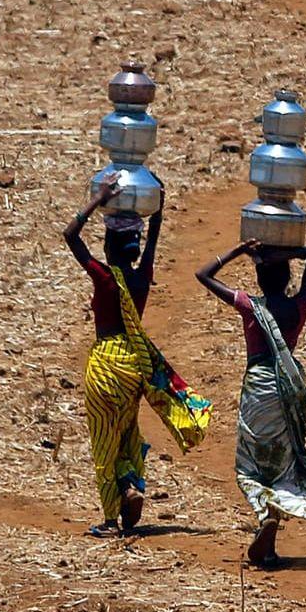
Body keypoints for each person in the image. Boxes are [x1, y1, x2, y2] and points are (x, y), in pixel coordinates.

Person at [63, 176, 212, 538]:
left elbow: (70, 236)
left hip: (105, 363)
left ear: (109, 248)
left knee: (104, 438)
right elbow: (154, 243)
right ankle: (130, 483)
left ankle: (111, 518)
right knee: (128, 429)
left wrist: (98, 198)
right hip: (133, 365)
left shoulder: (105, 278)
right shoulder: (142, 279)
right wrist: (157, 208)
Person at [195, 239, 306, 568]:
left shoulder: (250, 306)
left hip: (258, 389)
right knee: (281, 462)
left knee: (249, 467)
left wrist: (238, 250)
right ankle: (270, 533)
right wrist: (289, 252)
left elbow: (203, 274)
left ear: (259, 280)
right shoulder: (300, 306)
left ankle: (263, 513)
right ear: (287, 280)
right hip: (288, 388)